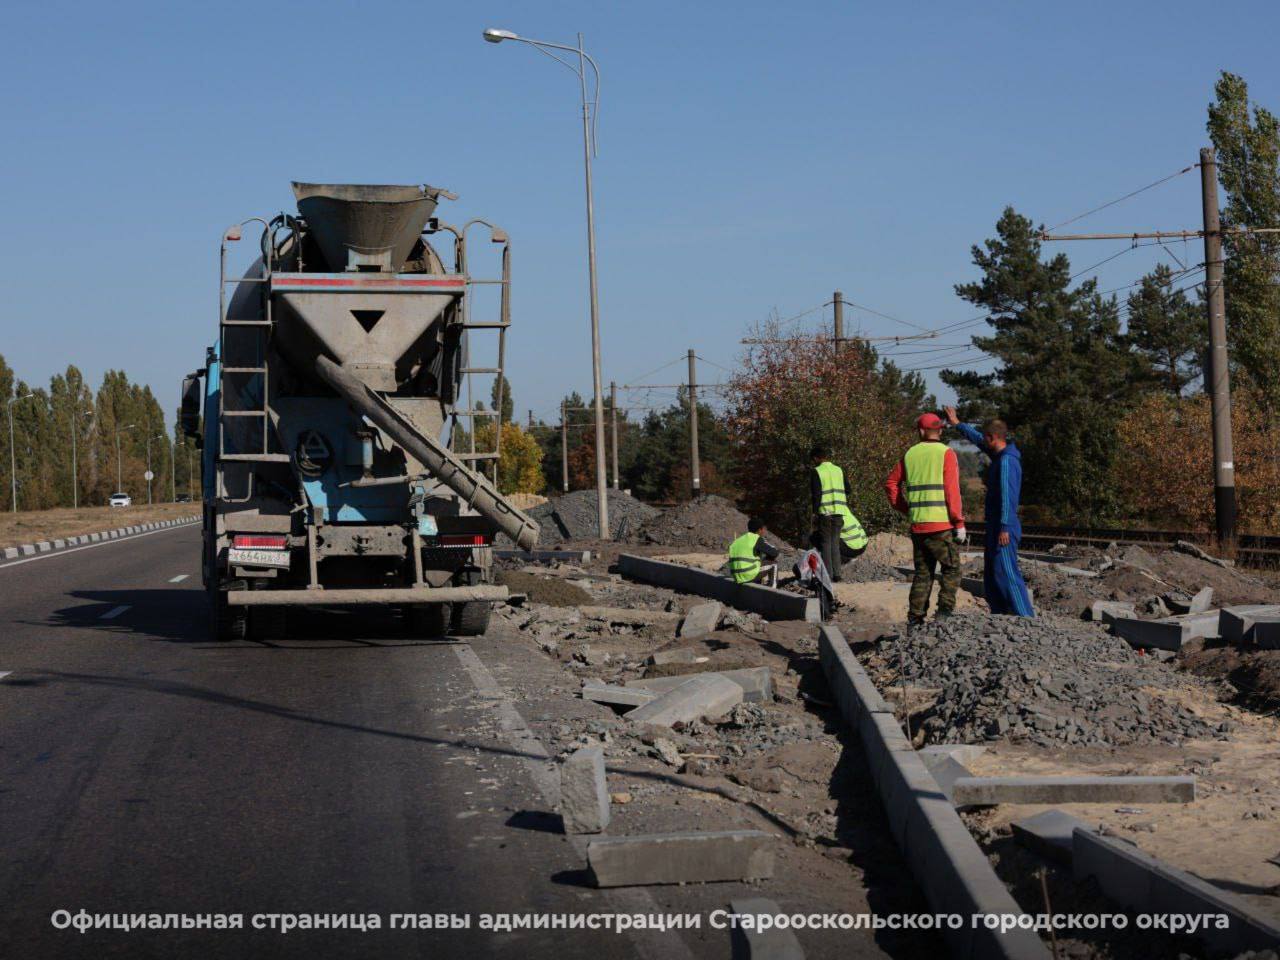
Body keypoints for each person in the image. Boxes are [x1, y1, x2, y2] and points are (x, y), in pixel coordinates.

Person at [944, 407, 1034, 617]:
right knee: (993, 573)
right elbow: (977, 439)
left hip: (1004, 526)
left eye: (986, 438)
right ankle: (1000, 614)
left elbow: (1007, 498)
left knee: (1007, 572)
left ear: (993, 437)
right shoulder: (999, 455)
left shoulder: (1006, 462)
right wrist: (958, 424)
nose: (983, 442)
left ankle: (1026, 618)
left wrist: (1004, 526)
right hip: (996, 524)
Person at [884, 413, 966, 626]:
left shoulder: (910, 454)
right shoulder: (946, 453)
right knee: (952, 569)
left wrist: (905, 508)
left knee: (923, 573)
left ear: (921, 431)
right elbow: (951, 491)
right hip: (942, 526)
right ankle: (944, 615)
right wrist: (959, 522)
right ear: (940, 430)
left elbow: (891, 485)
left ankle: (915, 618)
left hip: (918, 526)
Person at [809, 445, 868, 561]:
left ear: (816, 458)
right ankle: (836, 571)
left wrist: (815, 513)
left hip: (827, 513)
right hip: (862, 543)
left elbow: (816, 494)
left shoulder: (817, 471)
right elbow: (848, 490)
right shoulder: (838, 470)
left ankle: (829, 566)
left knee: (821, 539)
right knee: (833, 540)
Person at [727, 517, 781, 586]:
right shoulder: (756, 538)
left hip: (736, 576)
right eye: (764, 529)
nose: (764, 531)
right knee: (773, 564)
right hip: (747, 575)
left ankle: (757, 584)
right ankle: (773, 592)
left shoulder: (738, 540)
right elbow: (774, 553)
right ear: (760, 530)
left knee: (757, 562)